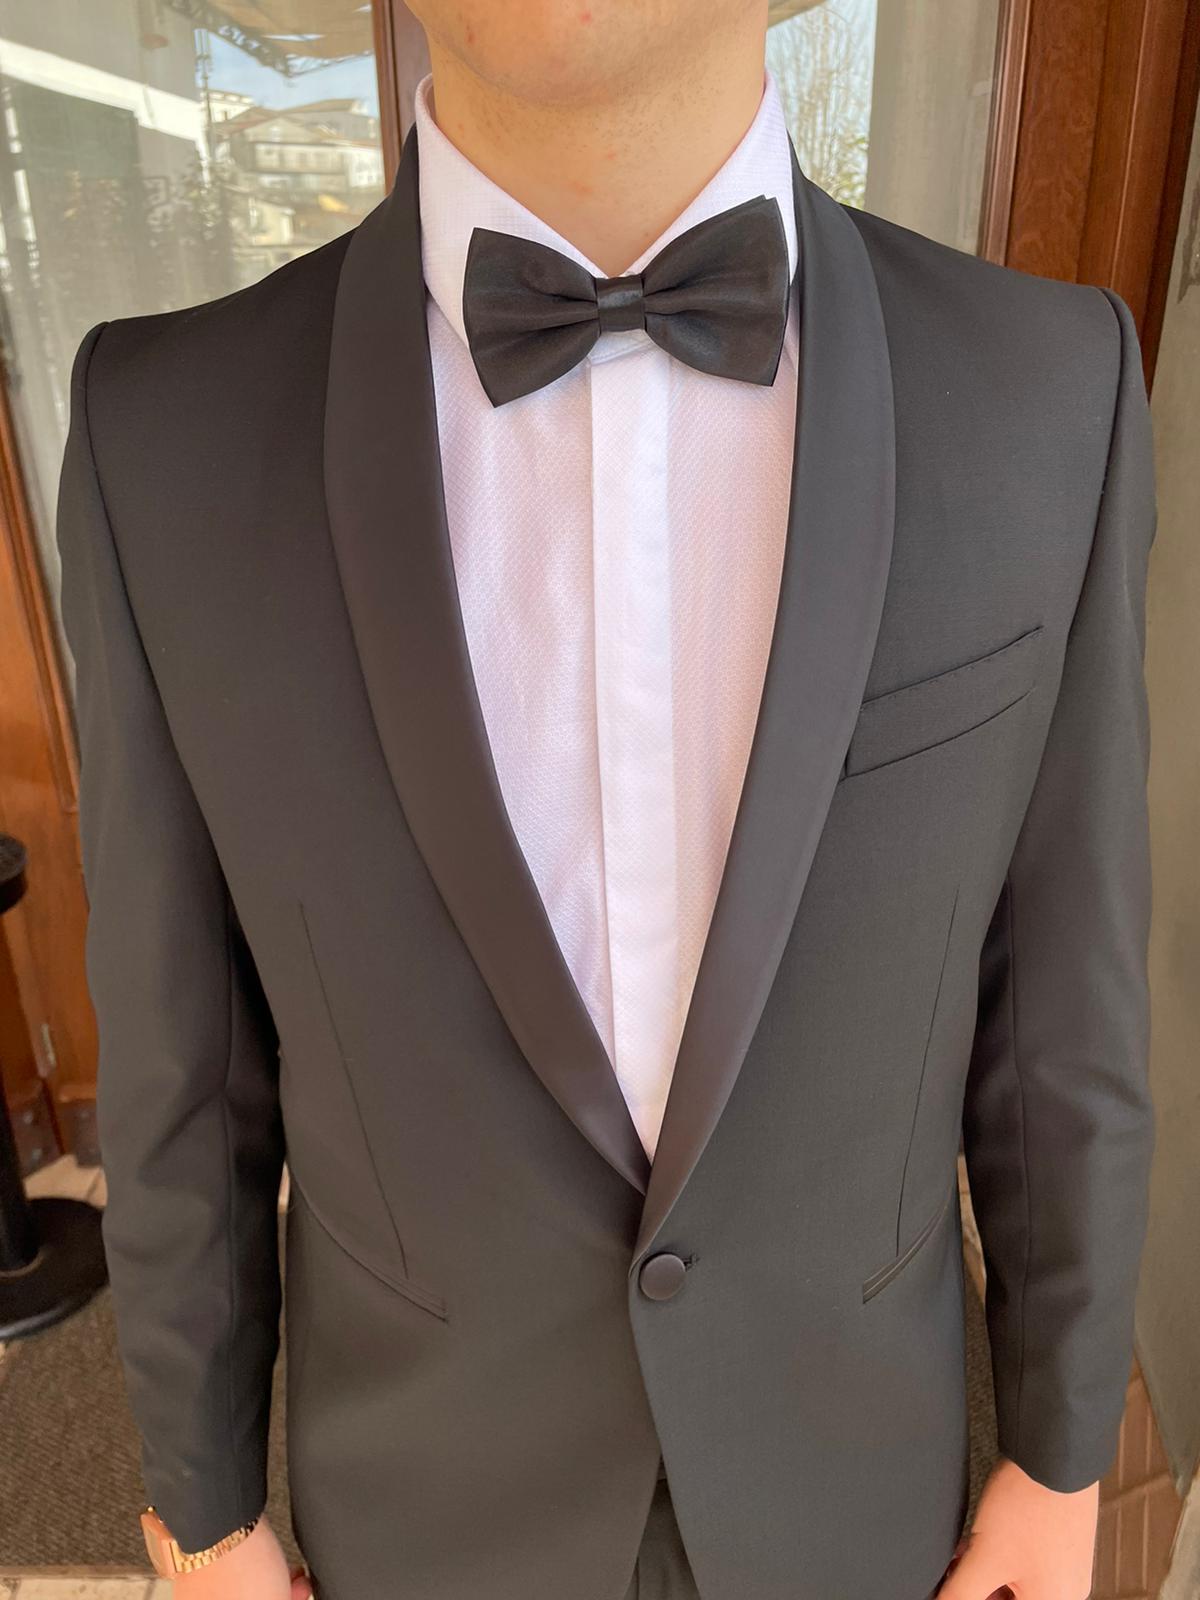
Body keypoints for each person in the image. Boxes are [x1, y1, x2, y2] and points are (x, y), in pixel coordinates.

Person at [55, 1, 1157, 1597]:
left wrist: (1059, 1459)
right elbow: (180, 1067)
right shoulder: (164, 434)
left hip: (856, 1506)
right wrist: (202, 1510)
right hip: (424, 1521)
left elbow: (1065, 1020)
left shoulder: (1048, 393)